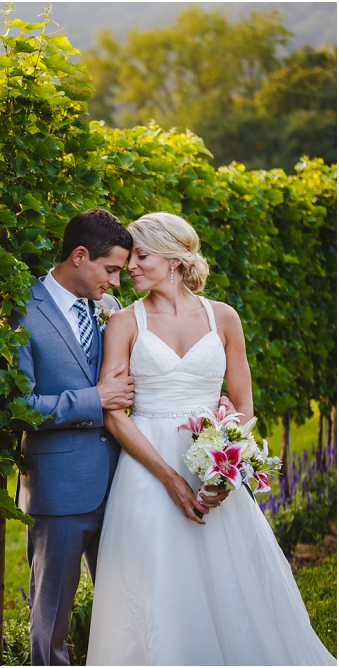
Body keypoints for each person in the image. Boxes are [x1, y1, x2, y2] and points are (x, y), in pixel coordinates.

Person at [86, 212, 335, 665]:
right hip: (145, 473)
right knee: (155, 586)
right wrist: (168, 477)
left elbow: (242, 405)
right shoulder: (123, 322)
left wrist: (224, 468)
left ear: (175, 259)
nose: (130, 267)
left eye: (141, 256)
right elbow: (114, 415)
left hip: (210, 471)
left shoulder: (223, 317)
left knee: (228, 583)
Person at [12, 208, 140, 666]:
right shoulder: (22, 312)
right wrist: (94, 398)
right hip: (59, 491)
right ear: (80, 256)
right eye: (111, 270)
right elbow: (17, 407)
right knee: (52, 628)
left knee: (130, 612)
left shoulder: (109, 312)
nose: (117, 283)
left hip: (123, 487)